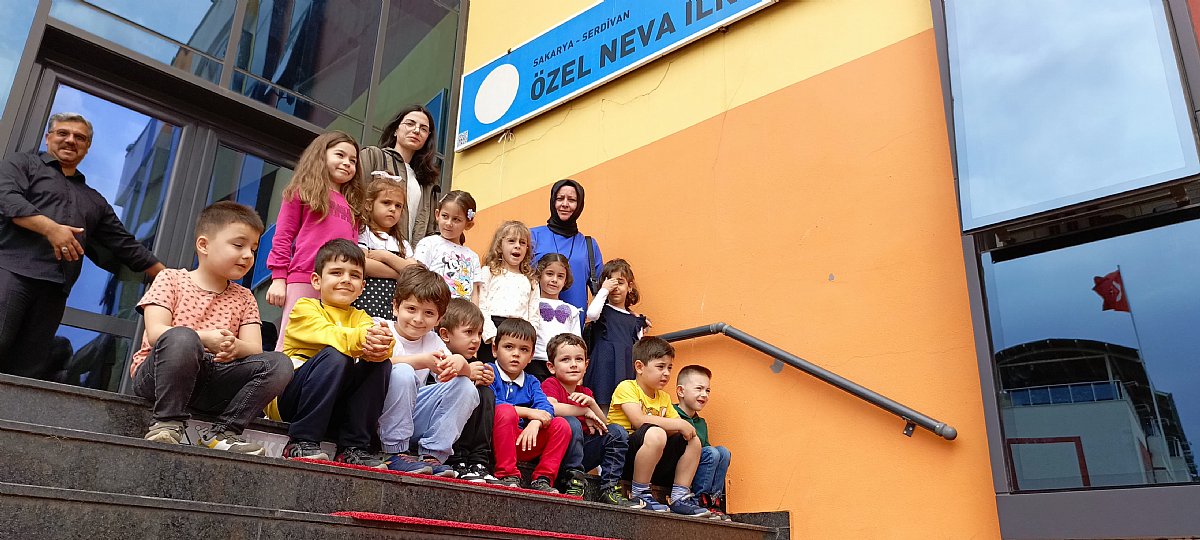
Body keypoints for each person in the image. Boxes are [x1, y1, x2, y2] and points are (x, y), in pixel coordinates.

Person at [0, 112, 165, 379]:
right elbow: (6, 198)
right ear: (48, 137)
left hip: (55, 289)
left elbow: (124, 243)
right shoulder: (24, 164)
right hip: (10, 273)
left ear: (87, 147)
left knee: (26, 370)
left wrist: (168, 276)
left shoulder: (94, 200)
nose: (70, 140)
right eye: (62, 133)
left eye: (80, 137)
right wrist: (51, 229)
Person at [131, 201, 292, 455]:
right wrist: (205, 338)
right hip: (160, 377)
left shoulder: (245, 297)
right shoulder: (171, 278)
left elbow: (254, 349)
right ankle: (167, 423)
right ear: (204, 245)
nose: (248, 255)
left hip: (213, 380)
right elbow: (155, 334)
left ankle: (224, 432)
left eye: (253, 249)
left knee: (280, 364)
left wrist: (235, 347)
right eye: (238, 245)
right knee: (182, 337)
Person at [274, 239, 394, 468]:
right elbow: (330, 334)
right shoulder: (304, 307)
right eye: (336, 272)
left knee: (381, 364)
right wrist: (365, 339)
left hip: (334, 406)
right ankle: (301, 441)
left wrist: (382, 345)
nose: (346, 280)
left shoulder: (361, 317)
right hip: (292, 401)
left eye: (354, 275)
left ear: (362, 287)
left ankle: (354, 448)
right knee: (336, 356)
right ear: (316, 280)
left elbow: (378, 344)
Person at [266, 131, 365, 351]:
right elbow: (283, 236)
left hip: (338, 284)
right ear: (321, 155)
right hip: (304, 276)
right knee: (291, 341)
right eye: (340, 155)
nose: (347, 163)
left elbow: (353, 251)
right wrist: (279, 278)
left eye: (353, 161)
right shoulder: (301, 192)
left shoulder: (352, 207)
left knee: (330, 344)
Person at [379, 265, 480, 477]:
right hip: (376, 414)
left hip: (411, 416)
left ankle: (432, 454)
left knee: (465, 386)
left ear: (439, 318)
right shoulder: (381, 328)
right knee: (403, 372)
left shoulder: (433, 340)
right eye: (411, 309)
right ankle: (393, 451)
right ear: (396, 307)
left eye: (428, 313)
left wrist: (460, 363)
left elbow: (454, 377)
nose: (418, 319)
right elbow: (375, 364)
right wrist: (420, 361)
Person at [608, 337, 710, 517]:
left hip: (653, 461)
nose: (666, 373)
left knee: (692, 441)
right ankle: (639, 493)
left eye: (669, 368)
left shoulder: (664, 398)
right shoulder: (627, 387)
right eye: (660, 367)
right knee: (656, 433)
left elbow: (681, 429)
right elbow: (639, 420)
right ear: (639, 367)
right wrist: (678, 423)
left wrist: (680, 426)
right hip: (623, 458)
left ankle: (680, 497)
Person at [540, 333, 640, 507]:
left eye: (578, 359)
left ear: (586, 365)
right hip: (556, 455)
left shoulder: (586, 392)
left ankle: (609, 487)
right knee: (571, 423)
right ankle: (572, 479)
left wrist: (592, 404)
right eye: (565, 360)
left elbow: (604, 426)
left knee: (617, 432)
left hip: (582, 454)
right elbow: (551, 408)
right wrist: (584, 411)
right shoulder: (550, 384)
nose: (573, 364)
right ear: (551, 366)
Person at [488, 318, 571, 492]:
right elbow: (489, 404)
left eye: (524, 349)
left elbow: (546, 406)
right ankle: (507, 474)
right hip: (492, 441)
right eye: (509, 347)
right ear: (495, 349)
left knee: (561, 425)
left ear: (531, 356)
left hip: (523, 440)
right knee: (505, 411)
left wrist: (536, 422)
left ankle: (543, 478)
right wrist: (528, 413)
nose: (516, 354)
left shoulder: (532, 381)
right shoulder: (488, 371)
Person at [438, 298, 500, 483]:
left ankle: (479, 461)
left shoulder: (474, 361)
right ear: (445, 334)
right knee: (463, 389)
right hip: (436, 433)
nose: (476, 340)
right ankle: (456, 460)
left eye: (479, 333)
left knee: (486, 393)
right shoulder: (438, 354)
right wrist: (467, 375)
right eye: (469, 332)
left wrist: (484, 379)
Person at [359, 104, 441, 244]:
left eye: (423, 129)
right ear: (396, 129)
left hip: (410, 254)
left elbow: (431, 229)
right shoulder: (374, 156)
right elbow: (355, 199)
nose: (416, 130)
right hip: (372, 247)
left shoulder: (428, 182)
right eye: (410, 124)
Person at [530, 179, 602, 322]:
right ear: (552, 201)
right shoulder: (533, 236)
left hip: (573, 327)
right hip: (535, 325)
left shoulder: (589, 245)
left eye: (572, 200)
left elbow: (603, 291)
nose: (565, 204)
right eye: (560, 198)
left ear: (579, 205)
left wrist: (630, 317)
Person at [585, 258, 649, 409]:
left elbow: (639, 353)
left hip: (625, 371)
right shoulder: (601, 312)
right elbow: (591, 314)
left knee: (623, 409)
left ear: (629, 286)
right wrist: (604, 290)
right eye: (610, 283)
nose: (615, 288)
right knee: (602, 409)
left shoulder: (635, 321)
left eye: (620, 283)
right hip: (602, 370)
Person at [477, 220, 539, 366]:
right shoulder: (489, 272)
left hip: (519, 333)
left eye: (522, 243)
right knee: (489, 372)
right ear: (500, 245)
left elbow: (534, 314)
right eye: (511, 241)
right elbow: (481, 305)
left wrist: (528, 338)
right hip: (492, 330)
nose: (517, 246)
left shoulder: (531, 280)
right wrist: (492, 335)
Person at [674, 364, 732, 520]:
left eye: (707, 390)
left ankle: (713, 500)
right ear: (681, 391)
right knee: (711, 452)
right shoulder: (672, 414)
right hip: (678, 469)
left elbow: (708, 456)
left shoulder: (701, 423)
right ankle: (698, 499)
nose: (704, 394)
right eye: (699, 389)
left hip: (697, 469)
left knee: (723, 452)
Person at [353, 178, 416, 319]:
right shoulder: (364, 232)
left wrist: (385, 256)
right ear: (369, 205)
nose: (393, 209)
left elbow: (414, 272)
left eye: (398, 206)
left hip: (394, 307)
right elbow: (363, 264)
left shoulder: (403, 243)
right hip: (366, 301)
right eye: (386, 202)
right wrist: (398, 273)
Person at [412, 190, 483, 301]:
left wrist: (474, 311)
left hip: (462, 311)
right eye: (445, 216)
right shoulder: (429, 243)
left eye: (456, 219)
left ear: (468, 224)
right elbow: (418, 277)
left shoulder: (472, 256)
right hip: (433, 306)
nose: (449, 223)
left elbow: (475, 293)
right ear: (437, 215)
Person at [532, 254, 581, 371]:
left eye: (560, 276)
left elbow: (576, 342)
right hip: (535, 361)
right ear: (539, 275)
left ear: (565, 280)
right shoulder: (531, 304)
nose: (554, 280)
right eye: (549, 274)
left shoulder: (572, 310)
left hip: (563, 364)